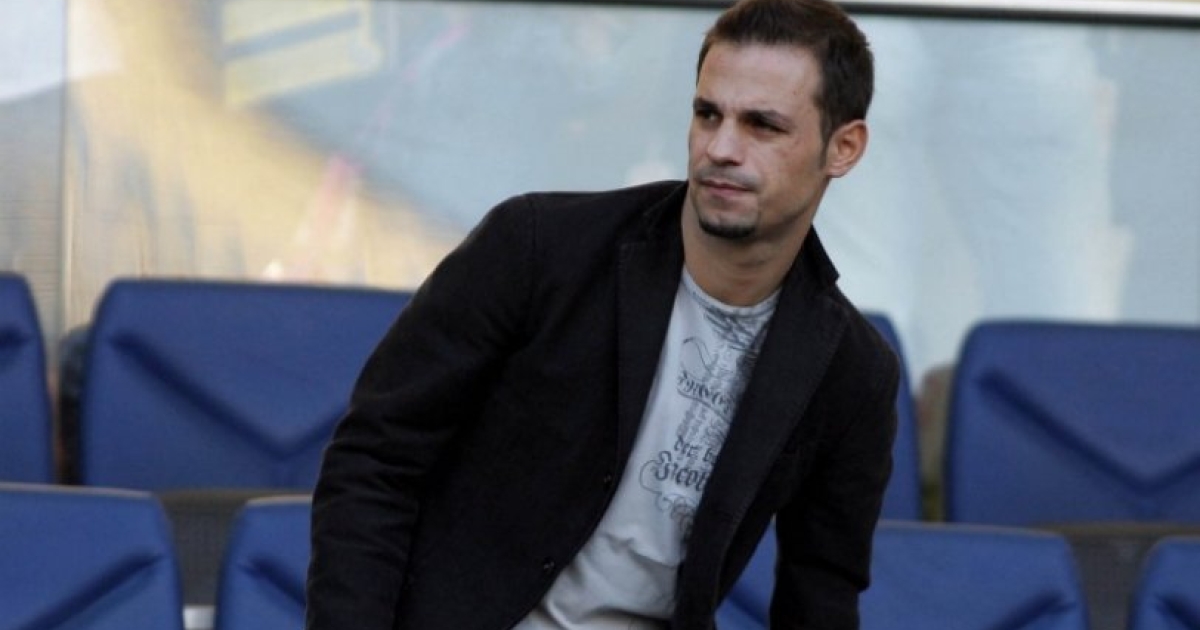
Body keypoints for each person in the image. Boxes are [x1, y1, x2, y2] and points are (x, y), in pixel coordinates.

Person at [306, 0, 899, 627]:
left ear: (844, 147)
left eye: (763, 126)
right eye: (707, 114)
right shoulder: (537, 248)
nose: (721, 148)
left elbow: (822, 594)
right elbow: (375, 459)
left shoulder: (850, 371)